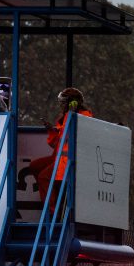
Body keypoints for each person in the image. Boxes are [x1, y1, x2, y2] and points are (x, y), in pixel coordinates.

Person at [29, 88, 93, 216]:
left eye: (63, 102)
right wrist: (52, 130)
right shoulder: (64, 117)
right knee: (34, 166)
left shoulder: (84, 116)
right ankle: (54, 193)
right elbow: (57, 143)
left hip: (69, 160)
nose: (61, 105)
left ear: (72, 103)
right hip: (59, 157)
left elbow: (77, 136)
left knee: (44, 177)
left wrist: (72, 115)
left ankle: (53, 212)